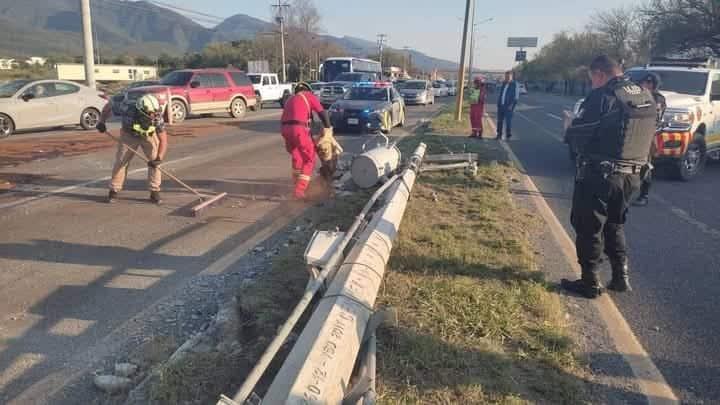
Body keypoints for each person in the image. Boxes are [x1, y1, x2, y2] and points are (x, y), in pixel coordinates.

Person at [561, 55, 657, 298]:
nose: (591, 82)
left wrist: (569, 126)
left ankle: (590, 282)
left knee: (589, 227)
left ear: (600, 74)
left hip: (600, 175)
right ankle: (620, 276)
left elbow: (578, 137)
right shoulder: (644, 95)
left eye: (592, 78)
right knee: (615, 224)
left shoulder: (603, 95)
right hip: (632, 177)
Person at [97, 94, 168, 204]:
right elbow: (109, 106)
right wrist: (101, 121)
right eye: (150, 113)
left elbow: (163, 139)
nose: (153, 115)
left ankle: (154, 191)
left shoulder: (157, 116)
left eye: (154, 112)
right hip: (128, 135)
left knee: (155, 161)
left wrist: (159, 158)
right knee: (121, 161)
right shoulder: (126, 108)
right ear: (141, 110)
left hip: (149, 136)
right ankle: (114, 190)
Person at [281, 81, 333, 199]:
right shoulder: (309, 96)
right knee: (310, 159)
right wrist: (328, 128)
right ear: (308, 90)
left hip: (285, 130)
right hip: (298, 129)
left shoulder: (291, 99)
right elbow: (322, 113)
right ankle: (299, 191)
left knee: (297, 157)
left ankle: (296, 184)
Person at [633, 71, 666, 207]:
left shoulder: (657, 99)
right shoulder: (640, 95)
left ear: (651, 83)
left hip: (648, 137)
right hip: (635, 134)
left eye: (644, 82)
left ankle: (644, 195)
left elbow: (653, 116)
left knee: (645, 166)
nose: (641, 85)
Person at [496, 70, 519, 140]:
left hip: (508, 107)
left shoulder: (515, 84)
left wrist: (511, 106)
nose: (507, 78)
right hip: (501, 106)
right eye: (506, 76)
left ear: (512, 77)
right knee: (499, 121)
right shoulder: (503, 83)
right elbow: (501, 94)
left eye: (508, 77)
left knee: (508, 122)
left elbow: (516, 97)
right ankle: (499, 135)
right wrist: (499, 103)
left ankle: (508, 135)